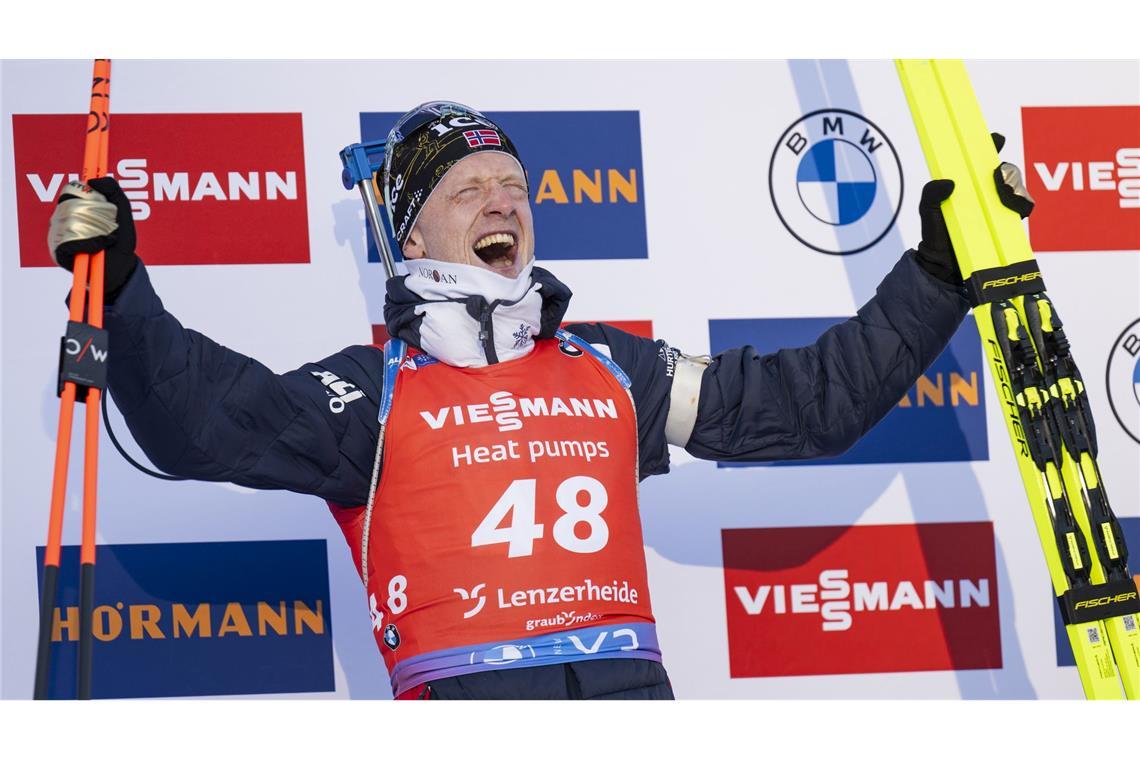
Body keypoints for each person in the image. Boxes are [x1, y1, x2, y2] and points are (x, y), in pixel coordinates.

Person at [47, 101, 1033, 700]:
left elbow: (809, 406)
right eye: (469, 187)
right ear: (413, 237)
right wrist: (122, 287)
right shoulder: (371, 390)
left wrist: (938, 275)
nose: (503, 200)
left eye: (514, 183)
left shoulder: (612, 371)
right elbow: (202, 422)